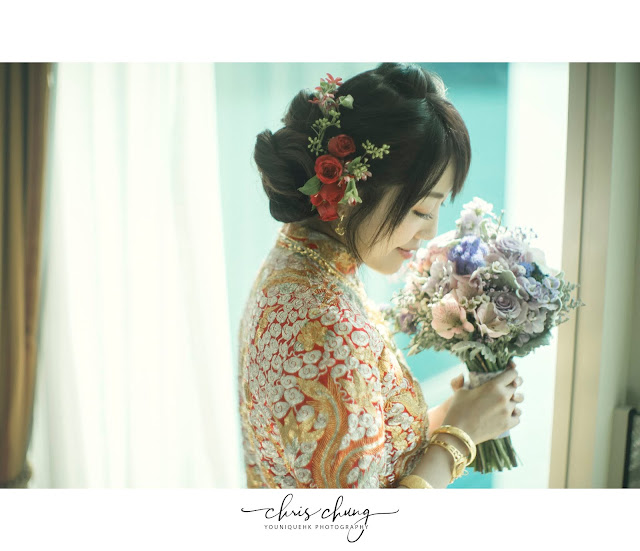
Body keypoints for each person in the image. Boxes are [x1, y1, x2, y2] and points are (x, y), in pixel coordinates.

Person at [238, 62, 524, 489]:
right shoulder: (325, 322)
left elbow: (365, 455)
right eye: (421, 209)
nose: (430, 231)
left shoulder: (299, 264)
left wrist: (460, 414)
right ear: (352, 189)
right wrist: (458, 438)